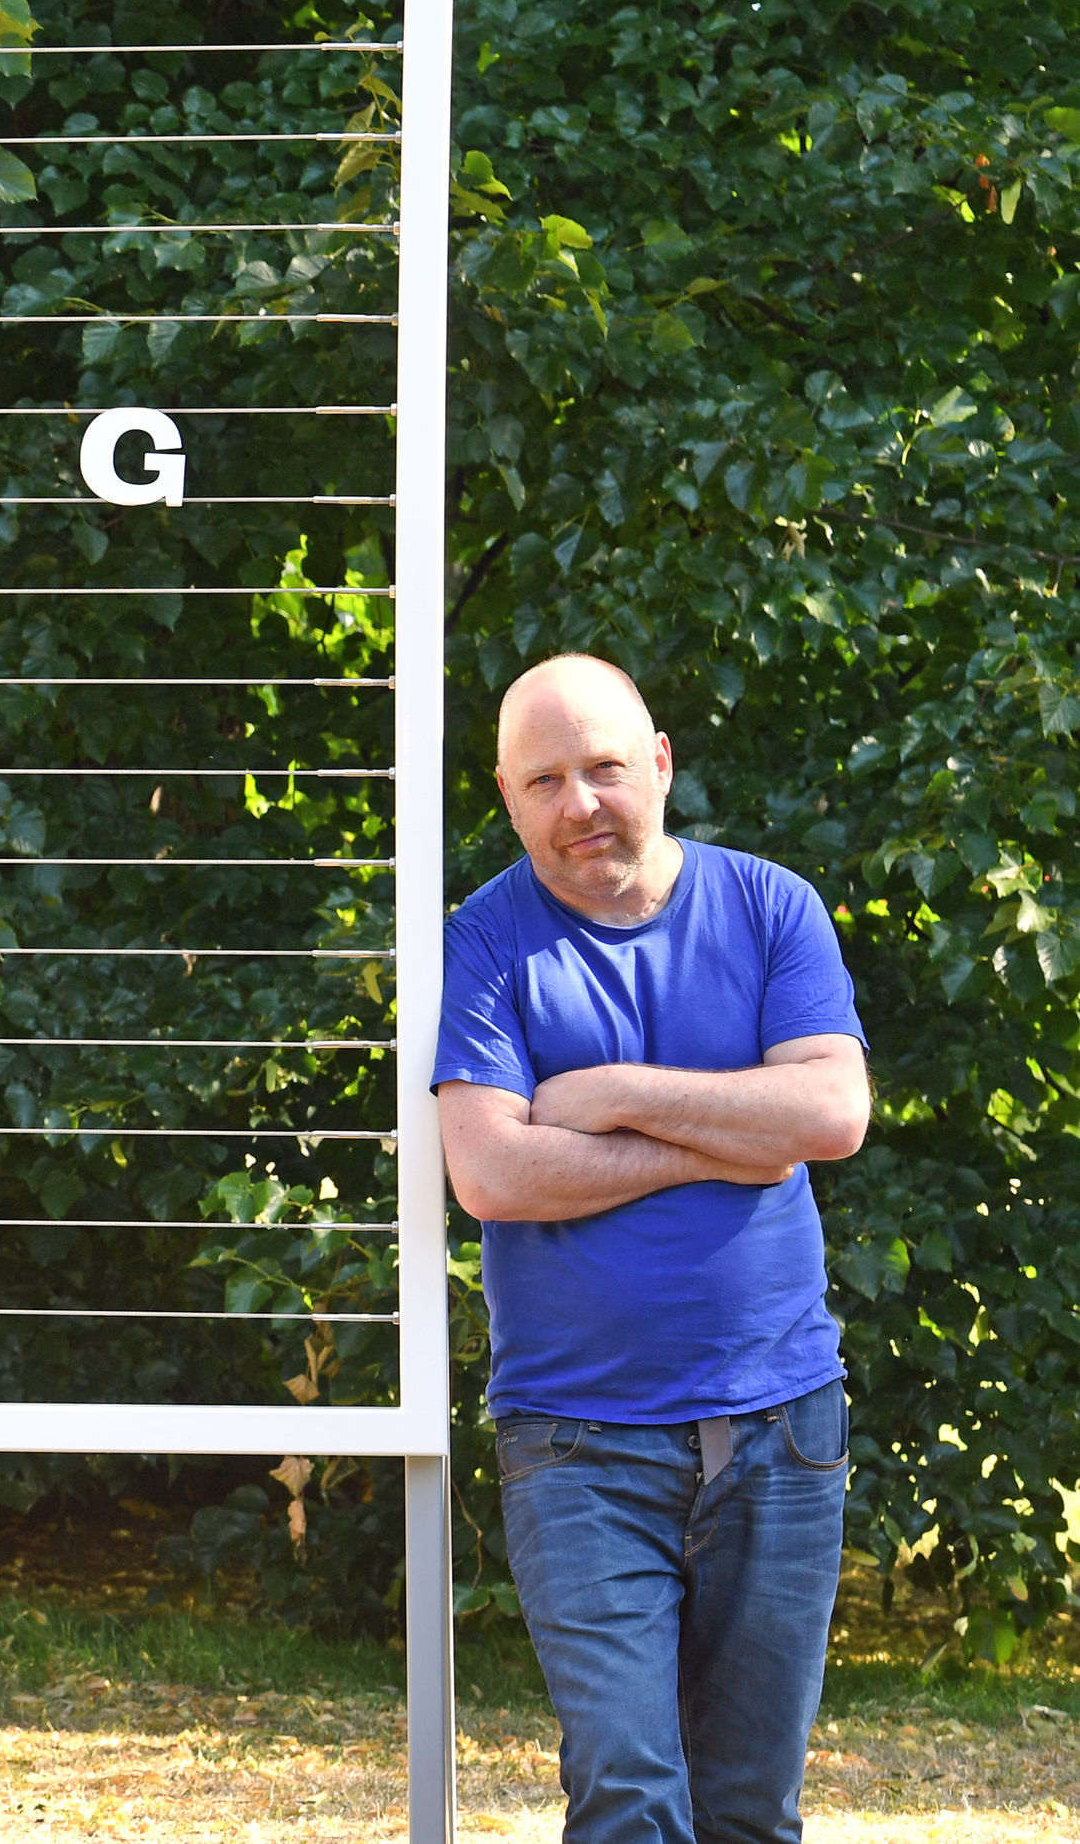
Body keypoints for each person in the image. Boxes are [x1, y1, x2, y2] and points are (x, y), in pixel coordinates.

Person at [433, 653, 871, 1844]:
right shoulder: (479, 941)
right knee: (626, 1790)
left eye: (603, 768)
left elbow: (829, 1115)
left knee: (746, 1809)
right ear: (507, 796)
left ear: (660, 764)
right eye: (543, 780)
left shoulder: (768, 904)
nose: (578, 802)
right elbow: (490, 1171)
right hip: (574, 1439)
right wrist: (727, 1136)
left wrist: (616, 1091)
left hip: (779, 1426)